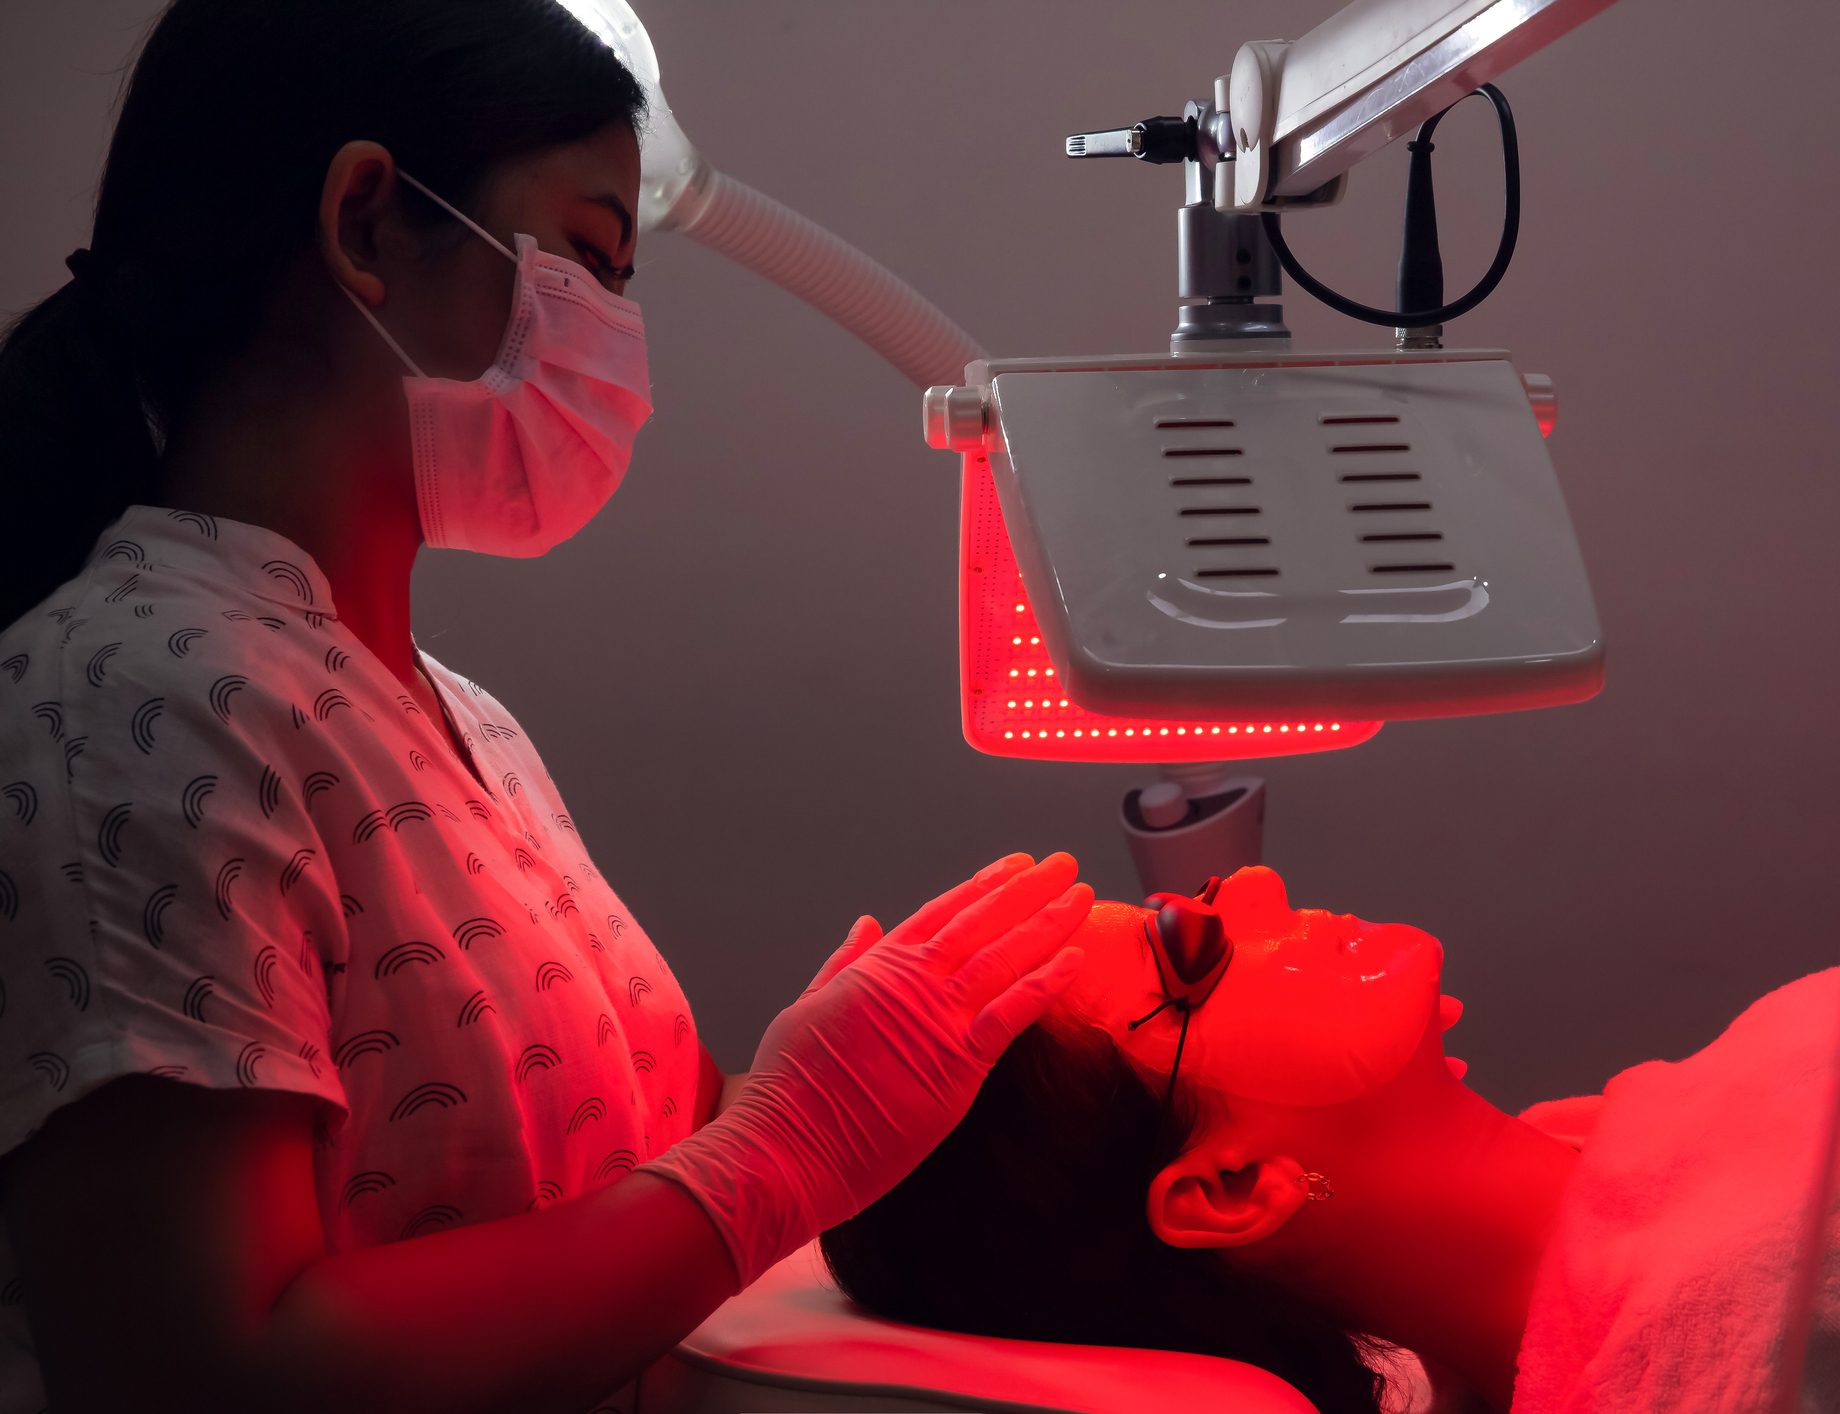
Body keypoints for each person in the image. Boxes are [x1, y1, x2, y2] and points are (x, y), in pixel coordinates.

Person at [0, 4, 1089, 1411]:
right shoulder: (126, 696)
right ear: (366, 221)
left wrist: (828, 1100)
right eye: (586, 254)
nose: (615, 339)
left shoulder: (460, 725)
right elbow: (206, 1365)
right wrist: (773, 1150)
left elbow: (591, 1193)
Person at [818, 865, 1840, 1414]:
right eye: (1197, 948)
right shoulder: (1740, 1315)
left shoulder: (1635, 1141)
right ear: (1232, 1184)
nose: (1263, 884)